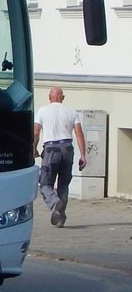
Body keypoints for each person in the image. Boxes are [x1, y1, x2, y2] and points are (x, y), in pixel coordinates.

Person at [32, 86, 87, 227]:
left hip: (51, 150)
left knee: (45, 183)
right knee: (64, 184)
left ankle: (55, 203)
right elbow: (79, 134)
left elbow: (36, 133)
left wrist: (33, 149)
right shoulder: (71, 111)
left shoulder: (42, 111)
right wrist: (83, 155)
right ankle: (60, 218)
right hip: (68, 148)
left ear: (49, 97)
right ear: (62, 98)